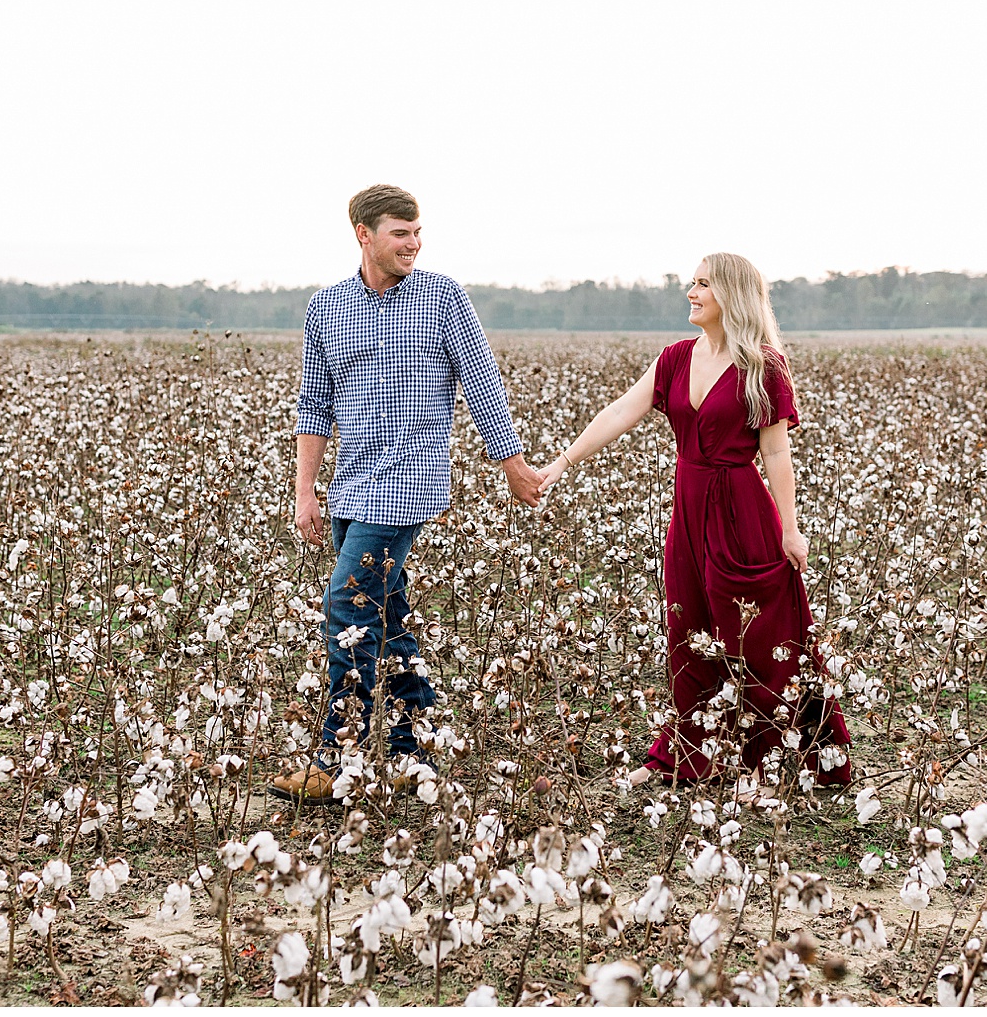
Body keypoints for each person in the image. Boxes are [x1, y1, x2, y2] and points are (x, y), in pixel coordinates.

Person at [269, 184, 545, 804]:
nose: (413, 244)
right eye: (401, 233)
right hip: (350, 484)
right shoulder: (328, 307)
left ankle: (334, 758)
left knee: (348, 608)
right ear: (364, 234)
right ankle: (410, 747)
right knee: (387, 617)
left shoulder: (443, 297)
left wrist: (513, 466)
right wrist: (305, 489)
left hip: (405, 485)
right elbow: (314, 407)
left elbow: (481, 383)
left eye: (418, 233)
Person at [537, 252, 850, 789]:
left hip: (743, 510)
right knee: (690, 630)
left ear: (730, 293)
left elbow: (776, 454)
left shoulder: (764, 367)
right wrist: (561, 463)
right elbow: (619, 412)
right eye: (693, 282)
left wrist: (790, 528)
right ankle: (689, 754)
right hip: (689, 513)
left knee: (758, 634)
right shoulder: (676, 358)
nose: (691, 291)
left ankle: (775, 758)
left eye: (703, 284)